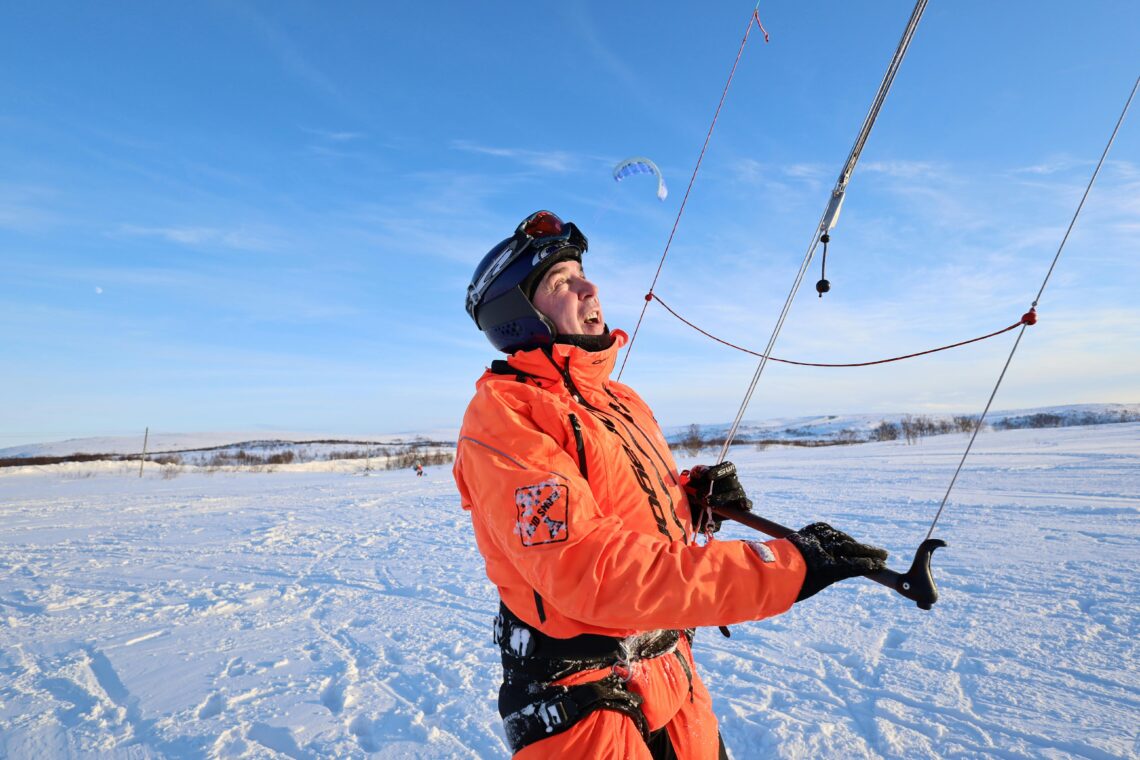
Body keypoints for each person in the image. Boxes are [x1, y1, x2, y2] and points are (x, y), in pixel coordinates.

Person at [454, 210, 889, 759]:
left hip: (671, 668)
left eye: (582, 273)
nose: (590, 287)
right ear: (519, 316)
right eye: (562, 283)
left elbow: (622, 509)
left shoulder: (621, 399)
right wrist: (782, 569)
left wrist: (692, 499)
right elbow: (593, 570)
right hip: (583, 702)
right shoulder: (503, 419)